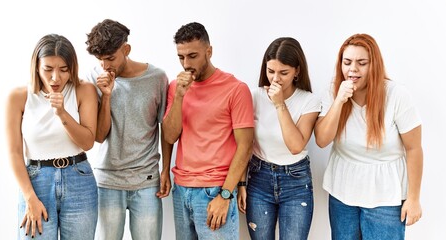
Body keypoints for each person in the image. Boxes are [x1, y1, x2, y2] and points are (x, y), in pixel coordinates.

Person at [314, 33, 423, 240]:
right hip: (342, 192)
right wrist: (339, 101)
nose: (352, 69)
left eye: (361, 63)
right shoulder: (333, 91)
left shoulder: (397, 95)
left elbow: (414, 148)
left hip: (386, 195)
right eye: (347, 62)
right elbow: (321, 140)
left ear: (374, 65)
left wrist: (414, 199)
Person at [162, 22, 254, 240]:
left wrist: (225, 194)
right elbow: (169, 136)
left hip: (215, 189)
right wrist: (180, 97)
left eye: (193, 56)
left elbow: (245, 146)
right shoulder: (176, 87)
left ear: (209, 51)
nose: (186, 64)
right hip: (181, 189)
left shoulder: (235, 89)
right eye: (181, 57)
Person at [84, 19, 171, 240]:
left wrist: (166, 169)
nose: (105, 66)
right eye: (100, 60)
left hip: (147, 180)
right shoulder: (94, 78)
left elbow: (165, 130)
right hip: (108, 181)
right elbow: (99, 136)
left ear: (126, 49)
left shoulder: (157, 78)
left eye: (110, 58)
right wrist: (106, 95)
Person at [6, 34, 99, 239]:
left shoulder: (84, 90)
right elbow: (13, 152)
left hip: (79, 179)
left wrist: (62, 113)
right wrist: (30, 197)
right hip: (36, 182)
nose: (56, 78)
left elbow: (88, 141)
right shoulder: (18, 97)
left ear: (72, 68)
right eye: (48, 69)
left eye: (64, 69)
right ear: (36, 66)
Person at [238, 37, 320, 240]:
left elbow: (296, 146)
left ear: (297, 71)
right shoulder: (254, 96)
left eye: (283, 73)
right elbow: (244, 144)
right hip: (259, 178)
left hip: (296, 182)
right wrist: (241, 184)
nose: (275, 79)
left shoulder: (309, 101)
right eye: (270, 71)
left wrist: (280, 105)